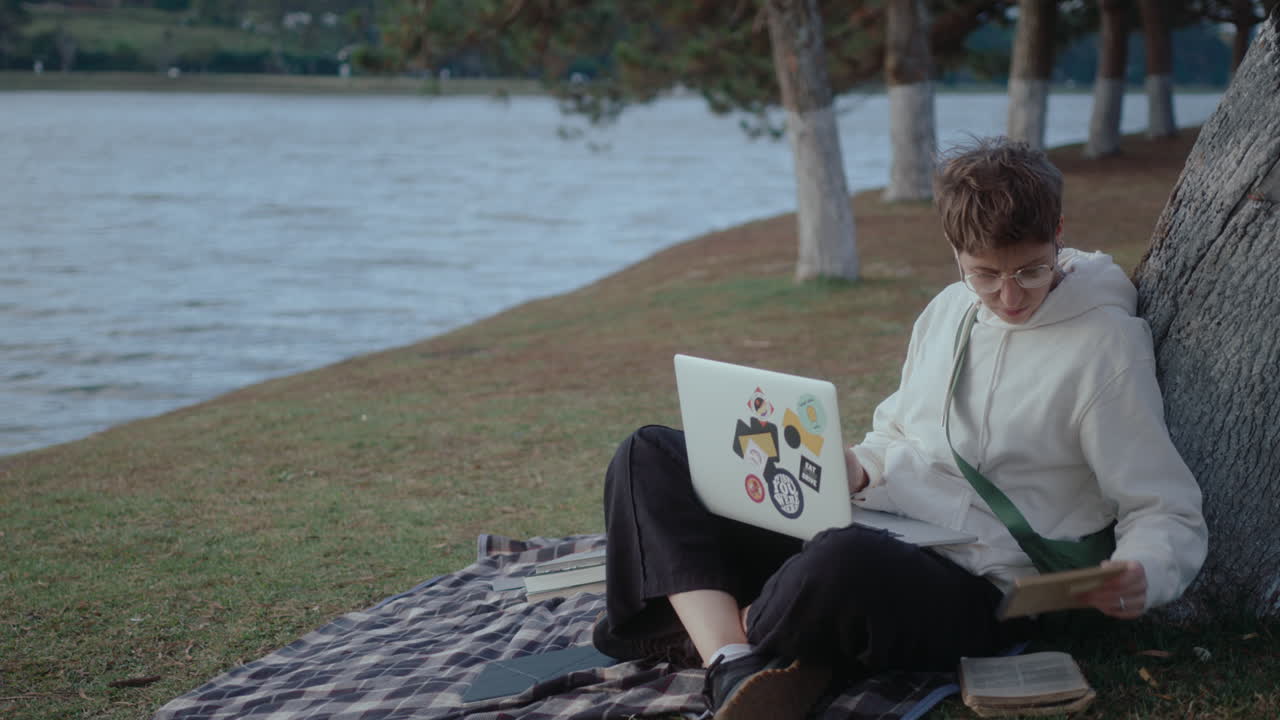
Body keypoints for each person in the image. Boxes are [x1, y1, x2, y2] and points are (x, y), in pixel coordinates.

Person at [591, 137, 1208, 720]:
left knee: (842, 563)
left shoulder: (1104, 348)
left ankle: (715, 617)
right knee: (650, 454)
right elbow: (895, 434)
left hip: (979, 585)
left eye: (1030, 271)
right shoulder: (947, 312)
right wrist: (858, 467)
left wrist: (1143, 571)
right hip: (879, 520)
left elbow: (1164, 508)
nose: (1010, 296)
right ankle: (733, 659)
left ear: (1059, 237)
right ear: (955, 252)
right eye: (985, 275)